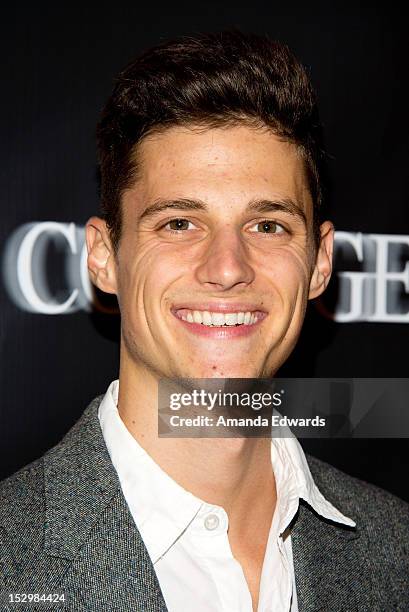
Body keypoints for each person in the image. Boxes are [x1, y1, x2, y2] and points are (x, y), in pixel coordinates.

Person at [0, 30, 408, 612]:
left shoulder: (396, 551)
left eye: (267, 226)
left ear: (319, 264)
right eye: (179, 224)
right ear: (103, 257)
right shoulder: (10, 559)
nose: (226, 268)